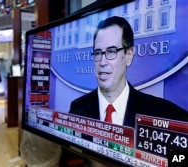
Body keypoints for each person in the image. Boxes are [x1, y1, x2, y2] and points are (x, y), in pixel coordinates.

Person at [68, 15, 188, 167]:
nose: (102, 62)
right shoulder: (78, 108)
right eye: (98, 53)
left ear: (129, 55)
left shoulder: (167, 115)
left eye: (111, 51)